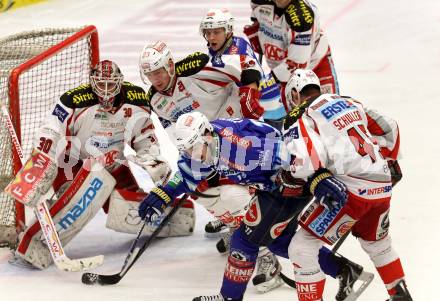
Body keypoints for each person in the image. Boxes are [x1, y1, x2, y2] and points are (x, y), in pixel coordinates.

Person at [138, 111, 372, 301]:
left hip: (289, 184)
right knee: (280, 242)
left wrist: (318, 180)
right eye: (185, 149)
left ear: (207, 135)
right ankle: (346, 271)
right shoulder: (209, 141)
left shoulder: (244, 150)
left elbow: (295, 156)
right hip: (275, 185)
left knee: (244, 240)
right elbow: (188, 173)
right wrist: (162, 193)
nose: (191, 155)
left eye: (193, 147)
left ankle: (229, 298)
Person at [12, 60, 195, 270]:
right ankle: (34, 242)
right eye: (101, 85)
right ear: (92, 83)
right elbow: (51, 131)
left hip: (114, 164)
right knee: (73, 204)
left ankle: (177, 215)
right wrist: (41, 164)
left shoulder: (136, 100)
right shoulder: (74, 100)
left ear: (120, 83)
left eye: (111, 85)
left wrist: (151, 161)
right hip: (74, 163)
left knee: (130, 211)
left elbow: (144, 138)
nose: (106, 91)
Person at [139, 40, 284, 291]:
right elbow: (177, 135)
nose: (156, 79)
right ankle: (239, 227)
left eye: (159, 71)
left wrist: (249, 89)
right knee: (201, 188)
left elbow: (245, 63)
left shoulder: (196, 69)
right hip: (206, 149)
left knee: (233, 194)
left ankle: (264, 252)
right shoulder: (156, 99)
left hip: (238, 140)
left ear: (171, 65)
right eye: (150, 74)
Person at [282, 69, 412, 300]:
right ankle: (401, 296)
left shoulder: (302, 114)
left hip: (350, 191)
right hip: (381, 185)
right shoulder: (347, 101)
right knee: (379, 244)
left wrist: (303, 178)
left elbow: (307, 160)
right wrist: (388, 159)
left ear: (294, 94)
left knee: (301, 248)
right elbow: (389, 127)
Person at [244, 0, 339, 112]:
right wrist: (257, 31)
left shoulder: (302, 17)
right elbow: (258, 18)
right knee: (294, 120)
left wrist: (269, 81)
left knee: (328, 112)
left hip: (315, 66)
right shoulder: (259, 2)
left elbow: (298, 64)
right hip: (283, 69)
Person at [200, 7, 286, 129]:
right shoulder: (231, 42)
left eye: (216, 32)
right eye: (208, 32)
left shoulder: (235, 54)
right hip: (260, 105)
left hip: (266, 110)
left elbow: (249, 87)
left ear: (228, 30)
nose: (211, 37)